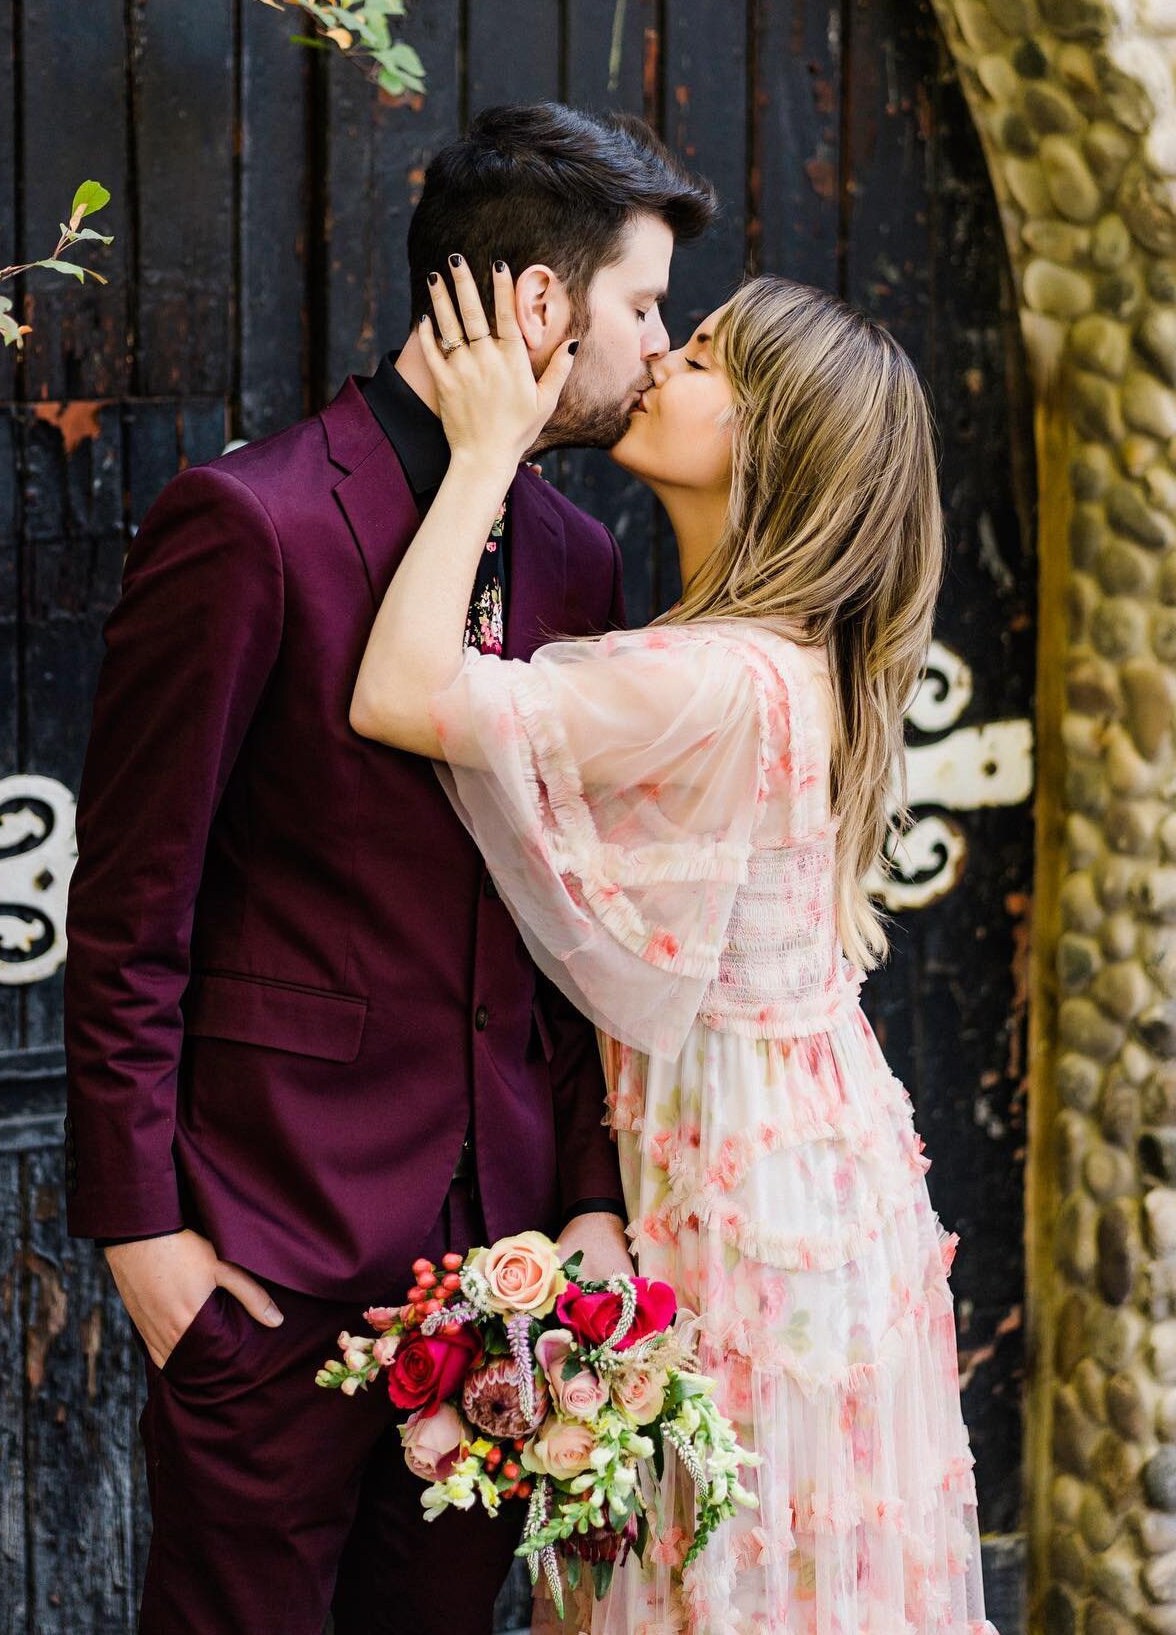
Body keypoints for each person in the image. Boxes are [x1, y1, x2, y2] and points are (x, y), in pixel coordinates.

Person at [60, 102, 715, 1633]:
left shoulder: (577, 558)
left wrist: (589, 1199)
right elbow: (129, 906)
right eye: (642, 305)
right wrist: (143, 1238)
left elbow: (564, 923)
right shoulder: (252, 523)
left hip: (503, 1285)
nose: (658, 345)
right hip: (266, 1258)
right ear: (542, 305)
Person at [351, 263, 1000, 1633]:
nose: (659, 365)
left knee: (708, 1574)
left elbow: (401, 690)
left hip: (738, 1210)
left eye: (704, 359)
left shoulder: (711, 681)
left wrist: (484, 454)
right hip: (810, 1174)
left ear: (770, 443)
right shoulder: (779, 658)